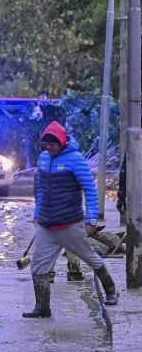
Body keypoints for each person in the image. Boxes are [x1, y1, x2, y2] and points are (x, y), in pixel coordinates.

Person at [23, 121, 119, 318]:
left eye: (52, 144)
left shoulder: (75, 160)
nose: (48, 148)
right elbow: (39, 191)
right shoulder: (43, 159)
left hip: (70, 225)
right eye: (45, 144)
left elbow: (90, 190)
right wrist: (36, 216)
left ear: (62, 142)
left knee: (90, 258)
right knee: (38, 267)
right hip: (46, 225)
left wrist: (92, 219)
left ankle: (111, 290)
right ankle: (42, 307)